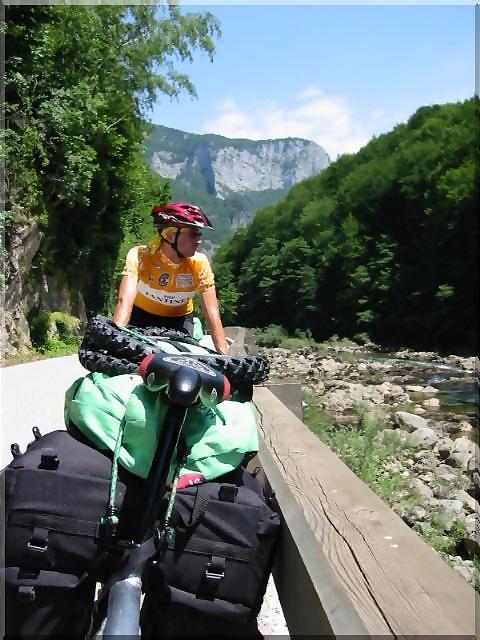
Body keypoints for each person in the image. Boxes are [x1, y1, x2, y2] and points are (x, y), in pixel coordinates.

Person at [113, 202, 229, 355]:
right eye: (193, 234)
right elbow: (124, 302)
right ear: (170, 236)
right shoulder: (140, 256)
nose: (199, 240)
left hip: (179, 321)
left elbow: (212, 314)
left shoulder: (199, 263)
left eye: (199, 234)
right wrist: (113, 339)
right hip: (141, 317)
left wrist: (225, 357)